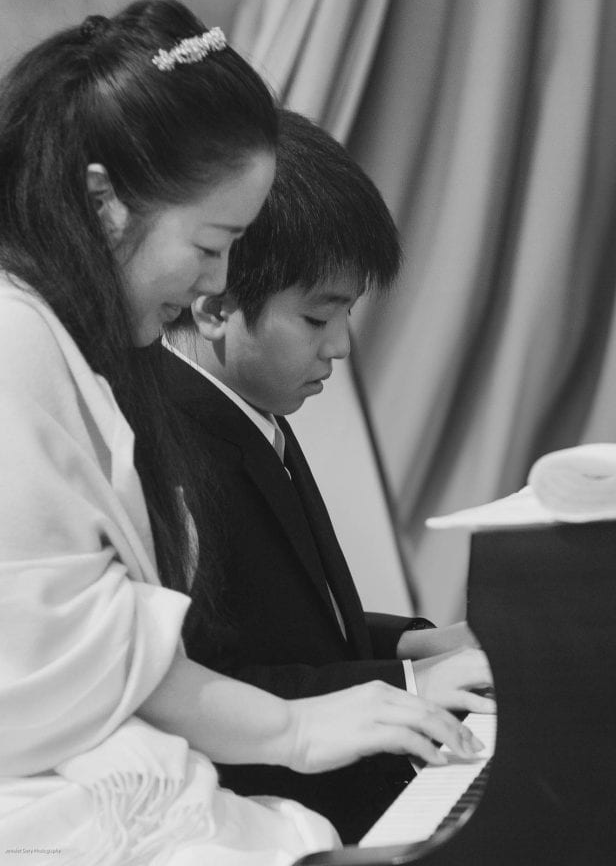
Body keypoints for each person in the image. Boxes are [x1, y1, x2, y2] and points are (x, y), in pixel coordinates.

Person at [0, 0, 482, 865]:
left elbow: (112, 648)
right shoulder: (17, 344)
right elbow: (75, 666)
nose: (217, 281)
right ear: (105, 202)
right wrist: (296, 729)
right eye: (212, 243)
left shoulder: (64, 342)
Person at [160, 109, 494, 842]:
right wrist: (407, 685)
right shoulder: (169, 445)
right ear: (215, 307)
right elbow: (197, 683)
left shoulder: (247, 410)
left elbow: (281, 631)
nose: (340, 345)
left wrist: (412, 645)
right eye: (317, 319)